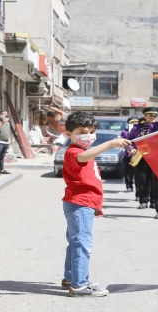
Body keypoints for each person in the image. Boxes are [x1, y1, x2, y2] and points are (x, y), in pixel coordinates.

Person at [61, 111, 131, 297]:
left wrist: (95, 205)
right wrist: (110, 144)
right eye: (82, 131)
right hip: (79, 204)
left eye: (91, 131)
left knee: (75, 242)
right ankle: (80, 284)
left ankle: (71, 277)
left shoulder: (84, 151)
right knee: (82, 243)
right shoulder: (74, 151)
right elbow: (82, 159)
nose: (88, 136)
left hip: (82, 203)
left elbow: (90, 181)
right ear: (69, 134)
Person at [127, 109, 158, 209]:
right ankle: (143, 201)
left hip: (156, 157)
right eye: (150, 115)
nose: (152, 117)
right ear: (145, 116)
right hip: (141, 157)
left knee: (155, 181)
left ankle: (153, 201)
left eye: (155, 115)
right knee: (142, 180)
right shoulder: (137, 128)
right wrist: (131, 148)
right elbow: (129, 141)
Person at [120, 117, 139, 194]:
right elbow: (122, 139)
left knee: (138, 174)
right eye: (132, 122)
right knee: (128, 172)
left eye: (136, 122)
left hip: (138, 155)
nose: (134, 123)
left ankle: (139, 191)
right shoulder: (125, 131)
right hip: (128, 155)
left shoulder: (140, 130)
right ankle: (129, 187)